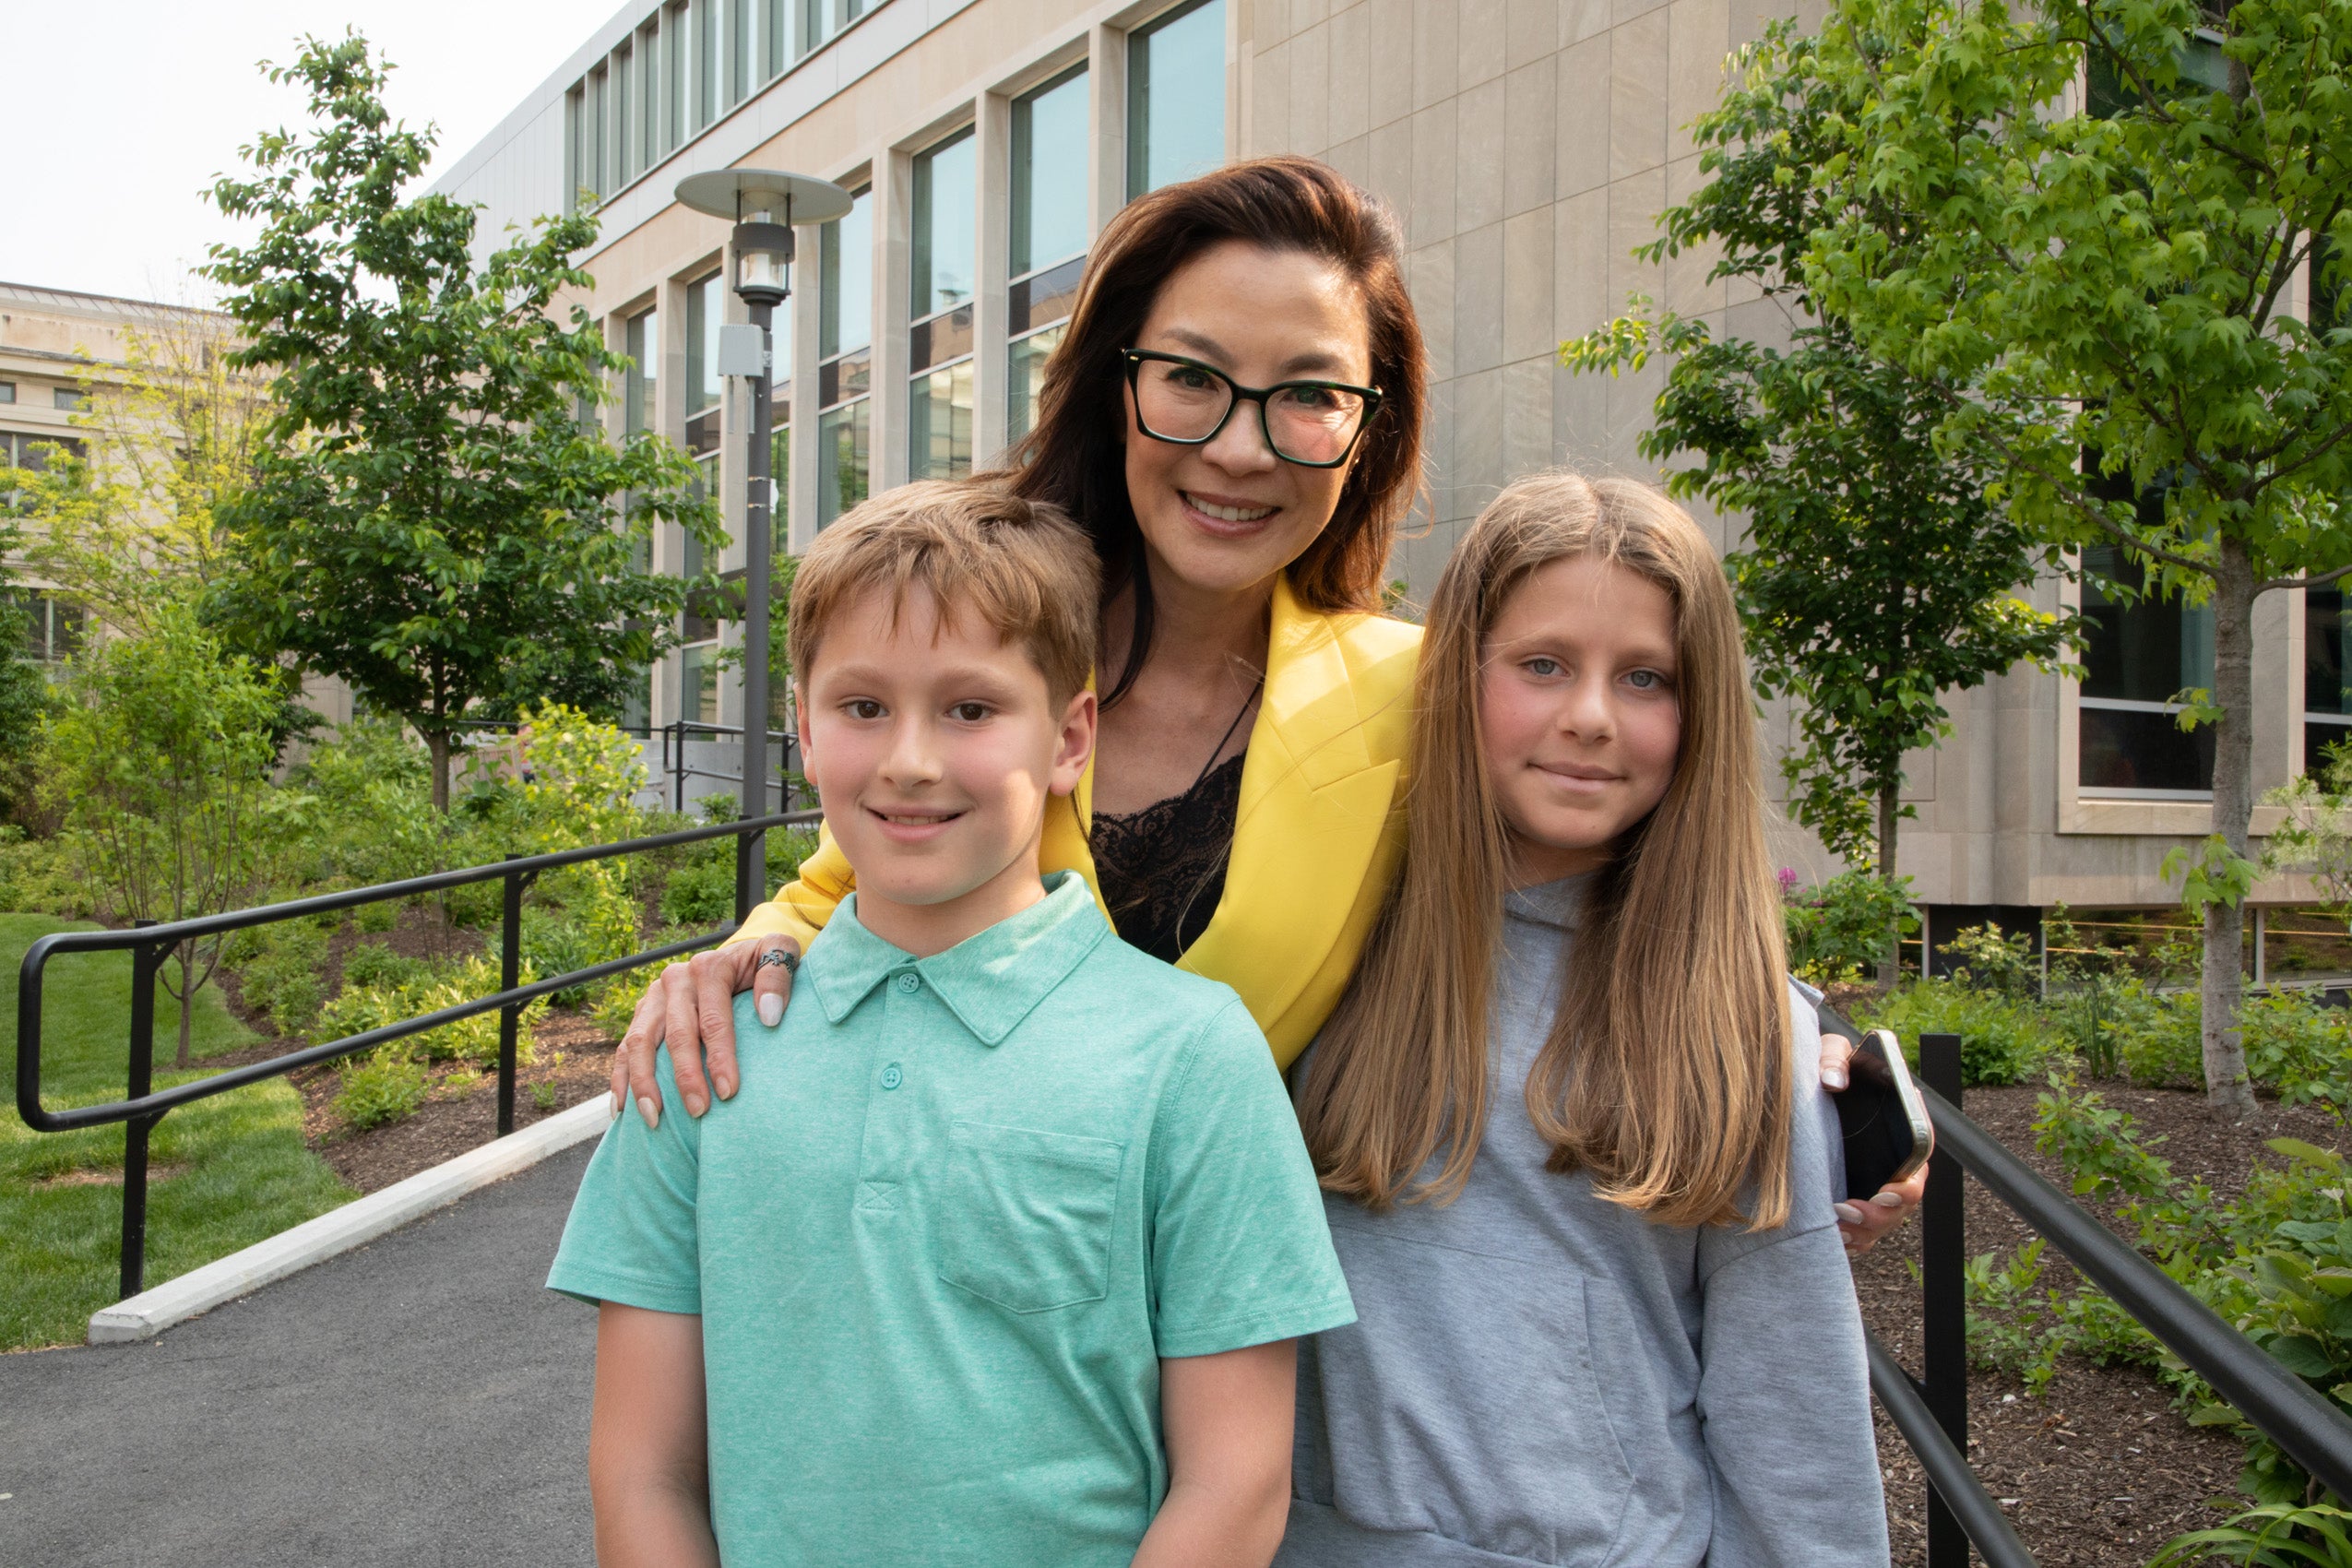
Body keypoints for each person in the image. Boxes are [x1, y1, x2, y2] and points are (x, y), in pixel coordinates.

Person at [607, 156, 1923, 1260]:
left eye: (1307, 396)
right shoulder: (993, 678)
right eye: (1191, 378)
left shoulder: (1412, 695)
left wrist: (1804, 1051)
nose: (1240, 448)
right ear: (1116, 382)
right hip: (941, 1286)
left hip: (1230, 1347)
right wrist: (735, 957)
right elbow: (848, 873)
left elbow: (1611, 871)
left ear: (1365, 431)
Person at [547, 483, 1356, 1567]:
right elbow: (642, 1471)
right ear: (803, 727)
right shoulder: (704, 1051)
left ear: (1070, 737)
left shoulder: (1192, 1053)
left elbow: (1237, 1479)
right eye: (863, 706)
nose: (910, 760)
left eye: (970, 709)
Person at [1284, 472, 1887, 1566]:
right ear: (1458, 673)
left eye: (1647, 677)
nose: (1592, 716)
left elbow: (1792, 1416)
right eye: (1543, 664)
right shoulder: (1323, 934)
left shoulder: (1733, 1027)